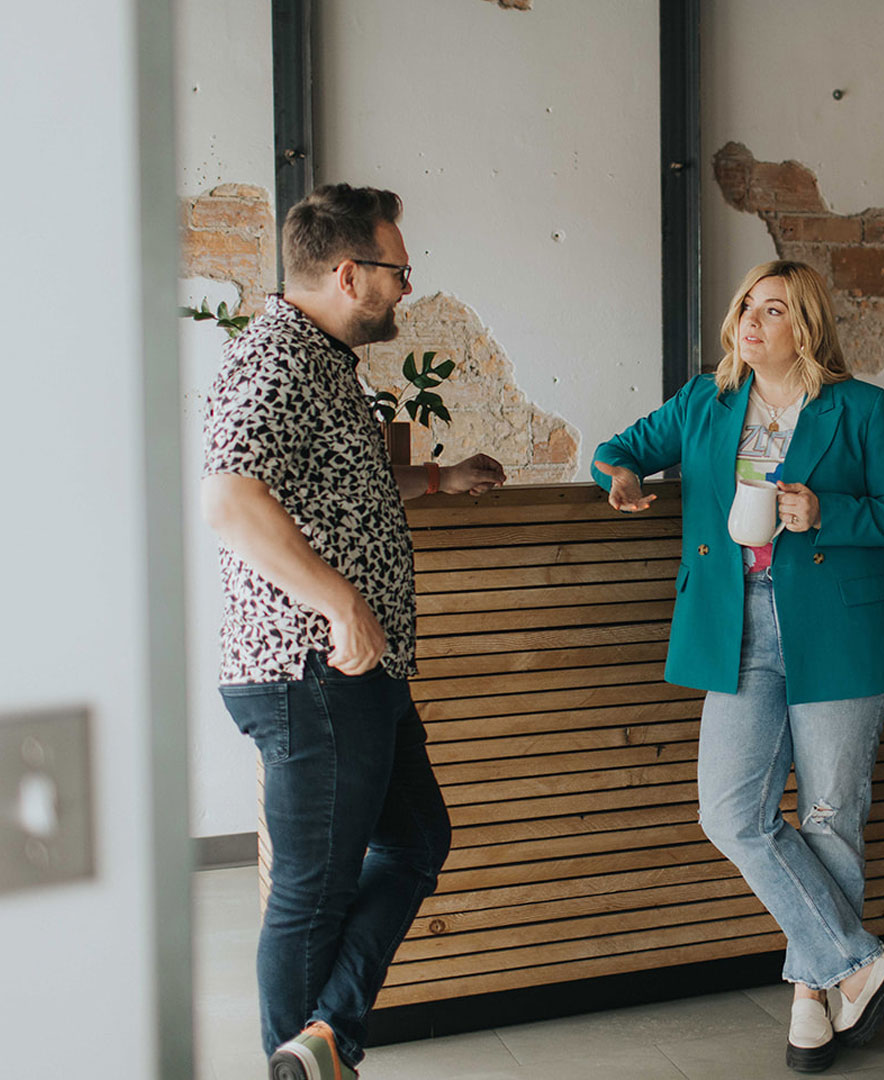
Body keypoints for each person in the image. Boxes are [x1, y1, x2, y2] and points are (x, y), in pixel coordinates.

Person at [201, 183, 506, 1080]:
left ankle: (323, 1041)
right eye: (398, 271)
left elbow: (336, 482)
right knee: (313, 892)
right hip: (312, 669)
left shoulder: (325, 362)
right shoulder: (277, 359)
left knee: (416, 840)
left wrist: (437, 480)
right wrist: (340, 602)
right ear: (347, 273)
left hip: (353, 674)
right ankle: (305, 1062)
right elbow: (230, 499)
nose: (406, 286)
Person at [592, 260, 884, 1073]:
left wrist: (826, 512)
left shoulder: (861, 408)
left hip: (840, 631)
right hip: (734, 630)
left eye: (772, 309)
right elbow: (616, 449)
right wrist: (623, 475)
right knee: (730, 813)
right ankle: (858, 964)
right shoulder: (704, 401)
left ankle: (813, 995)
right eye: (747, 304)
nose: (750, 319)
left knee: (829, 817)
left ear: (804, 326)